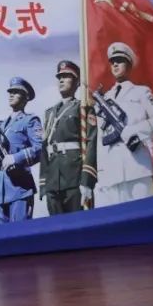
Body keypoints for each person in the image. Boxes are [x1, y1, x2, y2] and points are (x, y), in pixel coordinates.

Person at [94, 42, 153, 204]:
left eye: (120, 60)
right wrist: (101, 173)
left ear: (129, 65)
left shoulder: (141, 92)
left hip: (137, 169)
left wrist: (135, 130)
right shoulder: (104, 99)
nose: (115, 64)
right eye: (112, 61)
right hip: (111, 175)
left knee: (144, 217)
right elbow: (101, 140)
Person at [38, 60, 97, 215]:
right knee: (56, 227)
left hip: (74, 178)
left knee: (80, 225)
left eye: (66, 76)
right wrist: (43, 183)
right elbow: (44, 149)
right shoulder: (49, 113)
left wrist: (87, 180)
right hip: (53, 180)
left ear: (77, 82)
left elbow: (91, 143)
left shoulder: (83, 107)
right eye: (59, 77)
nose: (61, 80)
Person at [0, 77, 43, 223]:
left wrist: (15, 158)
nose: (11, 95)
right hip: (0, 191)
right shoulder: (2, 125)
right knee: (0, 236)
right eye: (10, 92)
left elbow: (40, 148)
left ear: (26, 98)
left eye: (16, 92)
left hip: (20, 188)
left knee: (21, 234)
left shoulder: (30, 120)